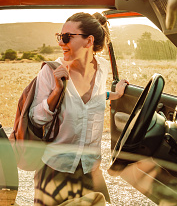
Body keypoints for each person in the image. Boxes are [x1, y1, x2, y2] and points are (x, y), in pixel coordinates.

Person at [29, 12, 129, 205]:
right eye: (60, 37)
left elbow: (89, 101)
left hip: (91, 170)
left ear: (88, 41)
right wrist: (57, 91)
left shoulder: (102, 68)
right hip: (55, 172)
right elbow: (36, 118)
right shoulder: (50, 72)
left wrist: (114, 95)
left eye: (67, 37)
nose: (60, 42)